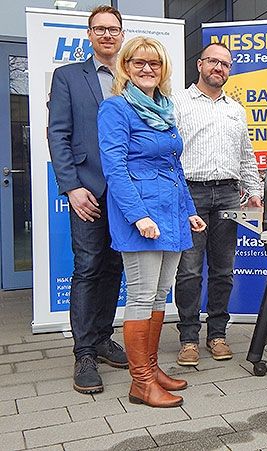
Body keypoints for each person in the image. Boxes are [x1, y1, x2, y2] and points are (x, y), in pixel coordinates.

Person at [98, 36, 206, 408]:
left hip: (172, 213)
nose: (147, 69)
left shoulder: (164, 108)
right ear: (125, 68)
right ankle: (140, 382)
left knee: (161, 295)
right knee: (142, 297)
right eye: (139, 63)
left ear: (163, 70)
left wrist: (189, 209)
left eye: (154, 64)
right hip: (141, 214)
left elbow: (175, 166)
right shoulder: (115, 109)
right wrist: (139, 215)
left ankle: (152, 368)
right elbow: (115, 168)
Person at [47, 5, 128, 395]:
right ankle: (83, 353)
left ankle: (102, 337)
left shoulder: (132, 78)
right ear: (90, 34)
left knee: (114, 267)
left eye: (114, 29)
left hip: (125, 193)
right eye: (100, 29)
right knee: (89, 266)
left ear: (122, 34)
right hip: (88, 189)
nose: (108, 35)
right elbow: (58, 134)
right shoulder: (68, 77)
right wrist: (72, 186)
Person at [171, 42, 262, 366]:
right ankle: (188, 339)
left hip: (227, 194)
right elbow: (168, 153)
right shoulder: (177, 103)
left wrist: (254, 191)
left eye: (225, 64)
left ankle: (217, 334)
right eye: (213, 61)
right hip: (190, 194)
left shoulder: (235, 110)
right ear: (199, 64)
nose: (218, 68)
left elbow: (246, 156)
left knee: (223, 270)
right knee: (189, 271)